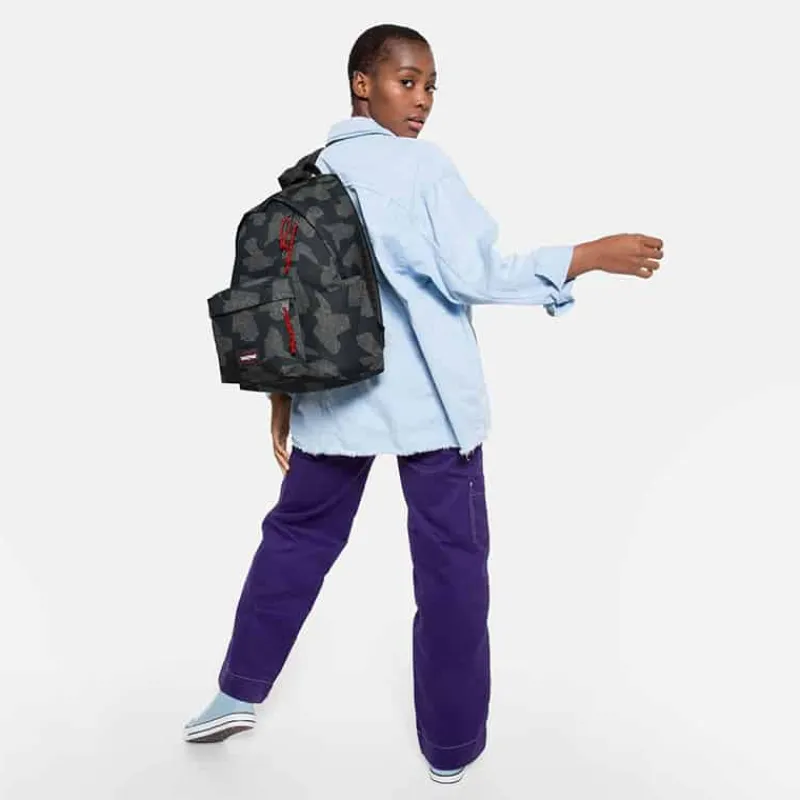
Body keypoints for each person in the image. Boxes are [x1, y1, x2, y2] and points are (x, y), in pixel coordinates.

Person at [184, 23, 664, 785]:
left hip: (333, 400)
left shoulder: (315, 173)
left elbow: (286, 298)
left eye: (432, 85)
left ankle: (235, 692)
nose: (423, 100)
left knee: (295, 539)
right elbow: (474, 273)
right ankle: (451, 748)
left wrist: (283, 396)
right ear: (362, 83)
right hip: (431, 410)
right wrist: (586, 258)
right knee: (452, 571)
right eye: (407, 81)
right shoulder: (421, 168)